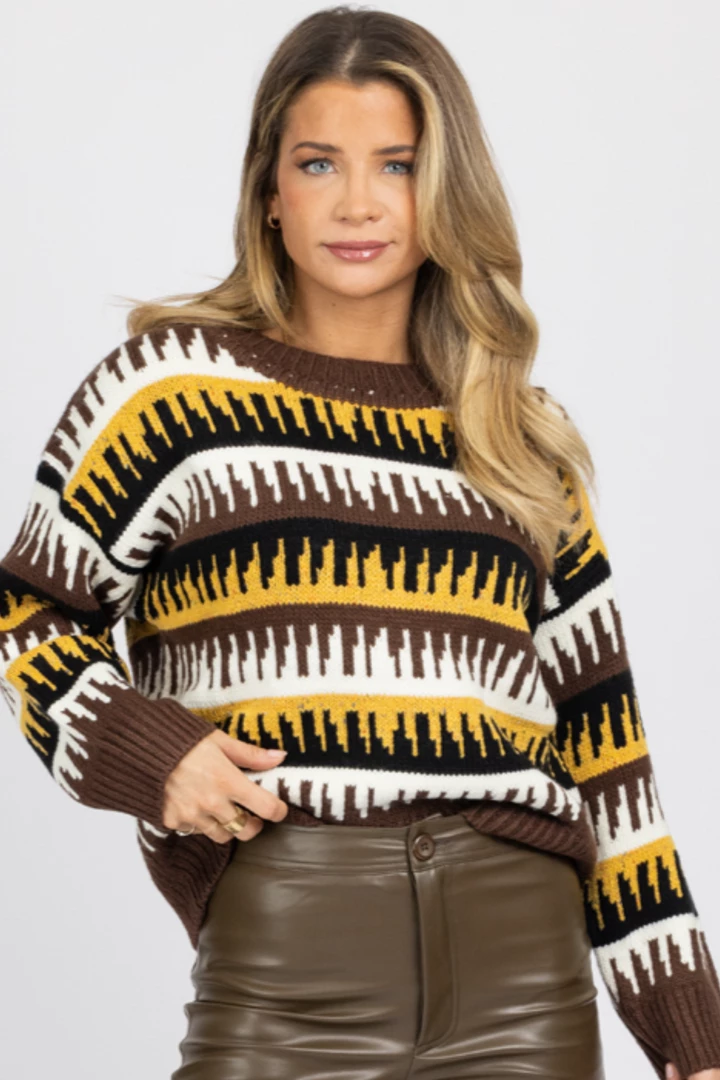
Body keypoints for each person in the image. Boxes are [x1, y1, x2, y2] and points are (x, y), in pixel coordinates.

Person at [1, 6, 718, 1079]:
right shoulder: (169, 393)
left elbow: (607, 753)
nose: (358, 203)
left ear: (446, 189)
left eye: (398, 164)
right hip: (285, 956)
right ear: (269, 189)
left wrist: (690, 1032)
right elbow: (28, 611)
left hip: (527, 979)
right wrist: (153, 753)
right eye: (318, 163)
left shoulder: (520, 438)